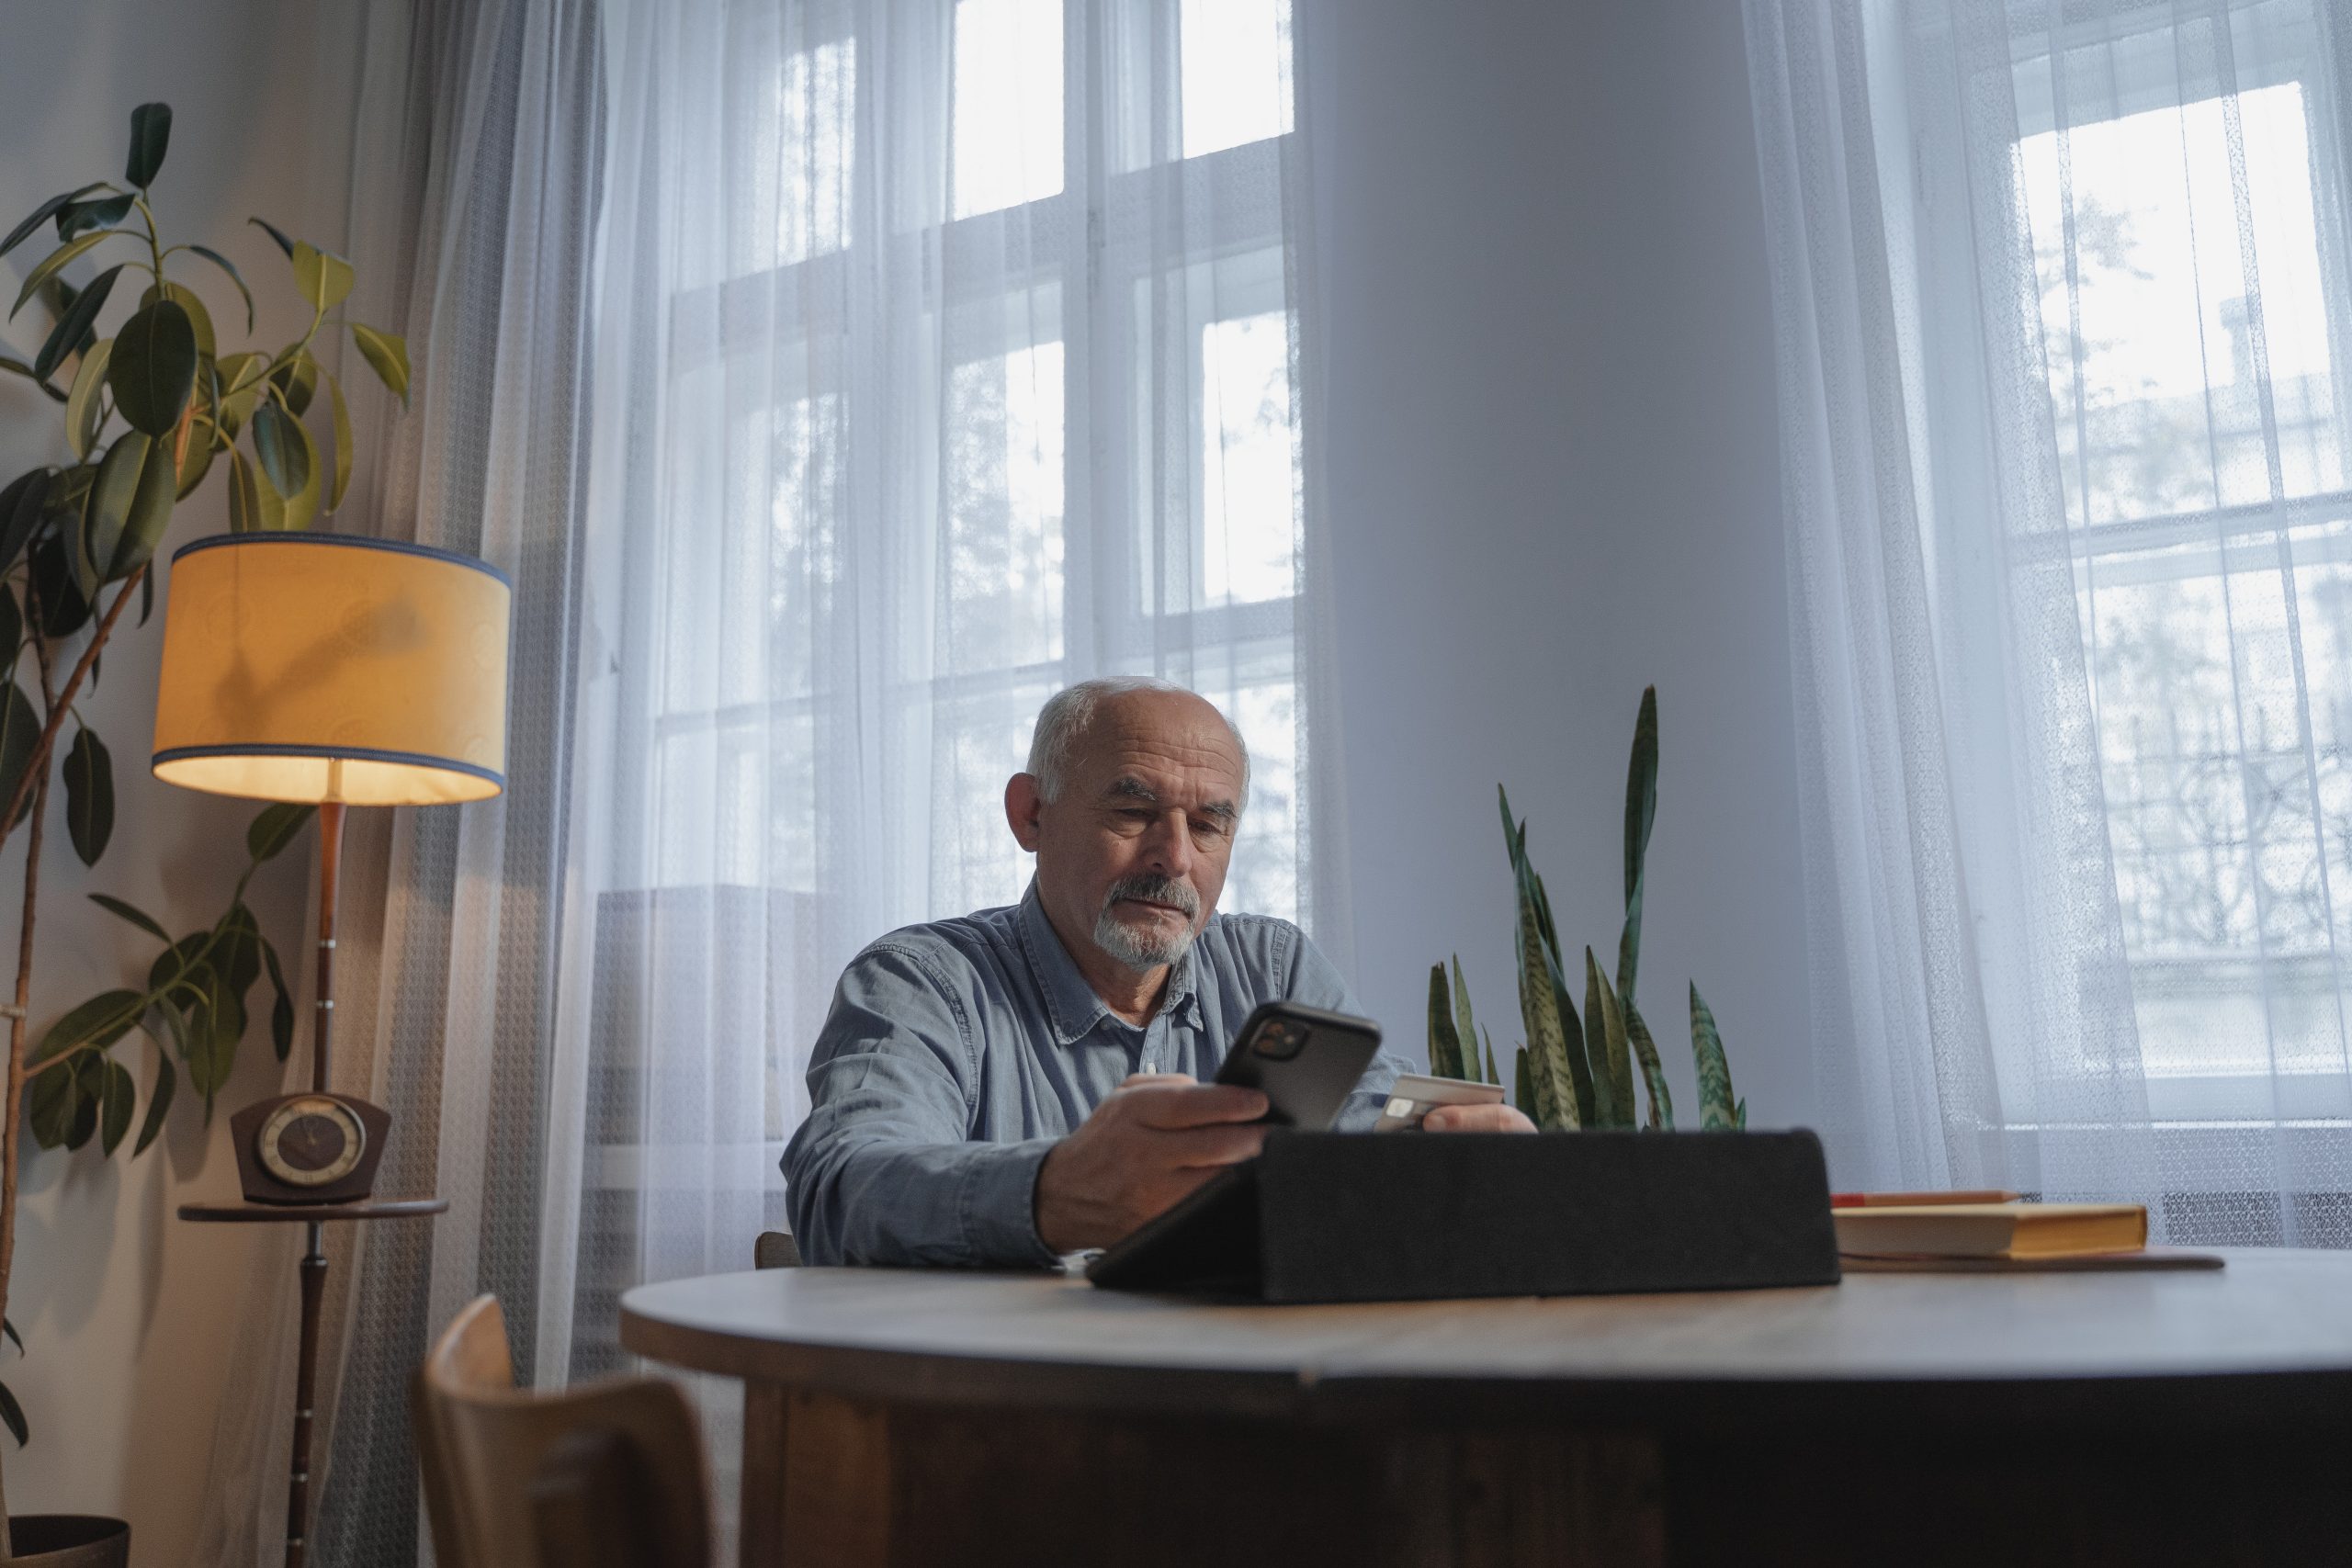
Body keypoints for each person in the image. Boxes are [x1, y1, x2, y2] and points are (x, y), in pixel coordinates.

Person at [782, 677, 1533, 1267]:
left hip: (1243, 1397)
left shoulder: (1273, 966)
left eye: (1208, 824)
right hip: (1003, 1414)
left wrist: (1449, 1154)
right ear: (1031, 815)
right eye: (1134, 811)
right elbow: (843, 1189)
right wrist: (1057, 1191)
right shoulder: (922, 981)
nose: (1175, 859)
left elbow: (1373, 1125)